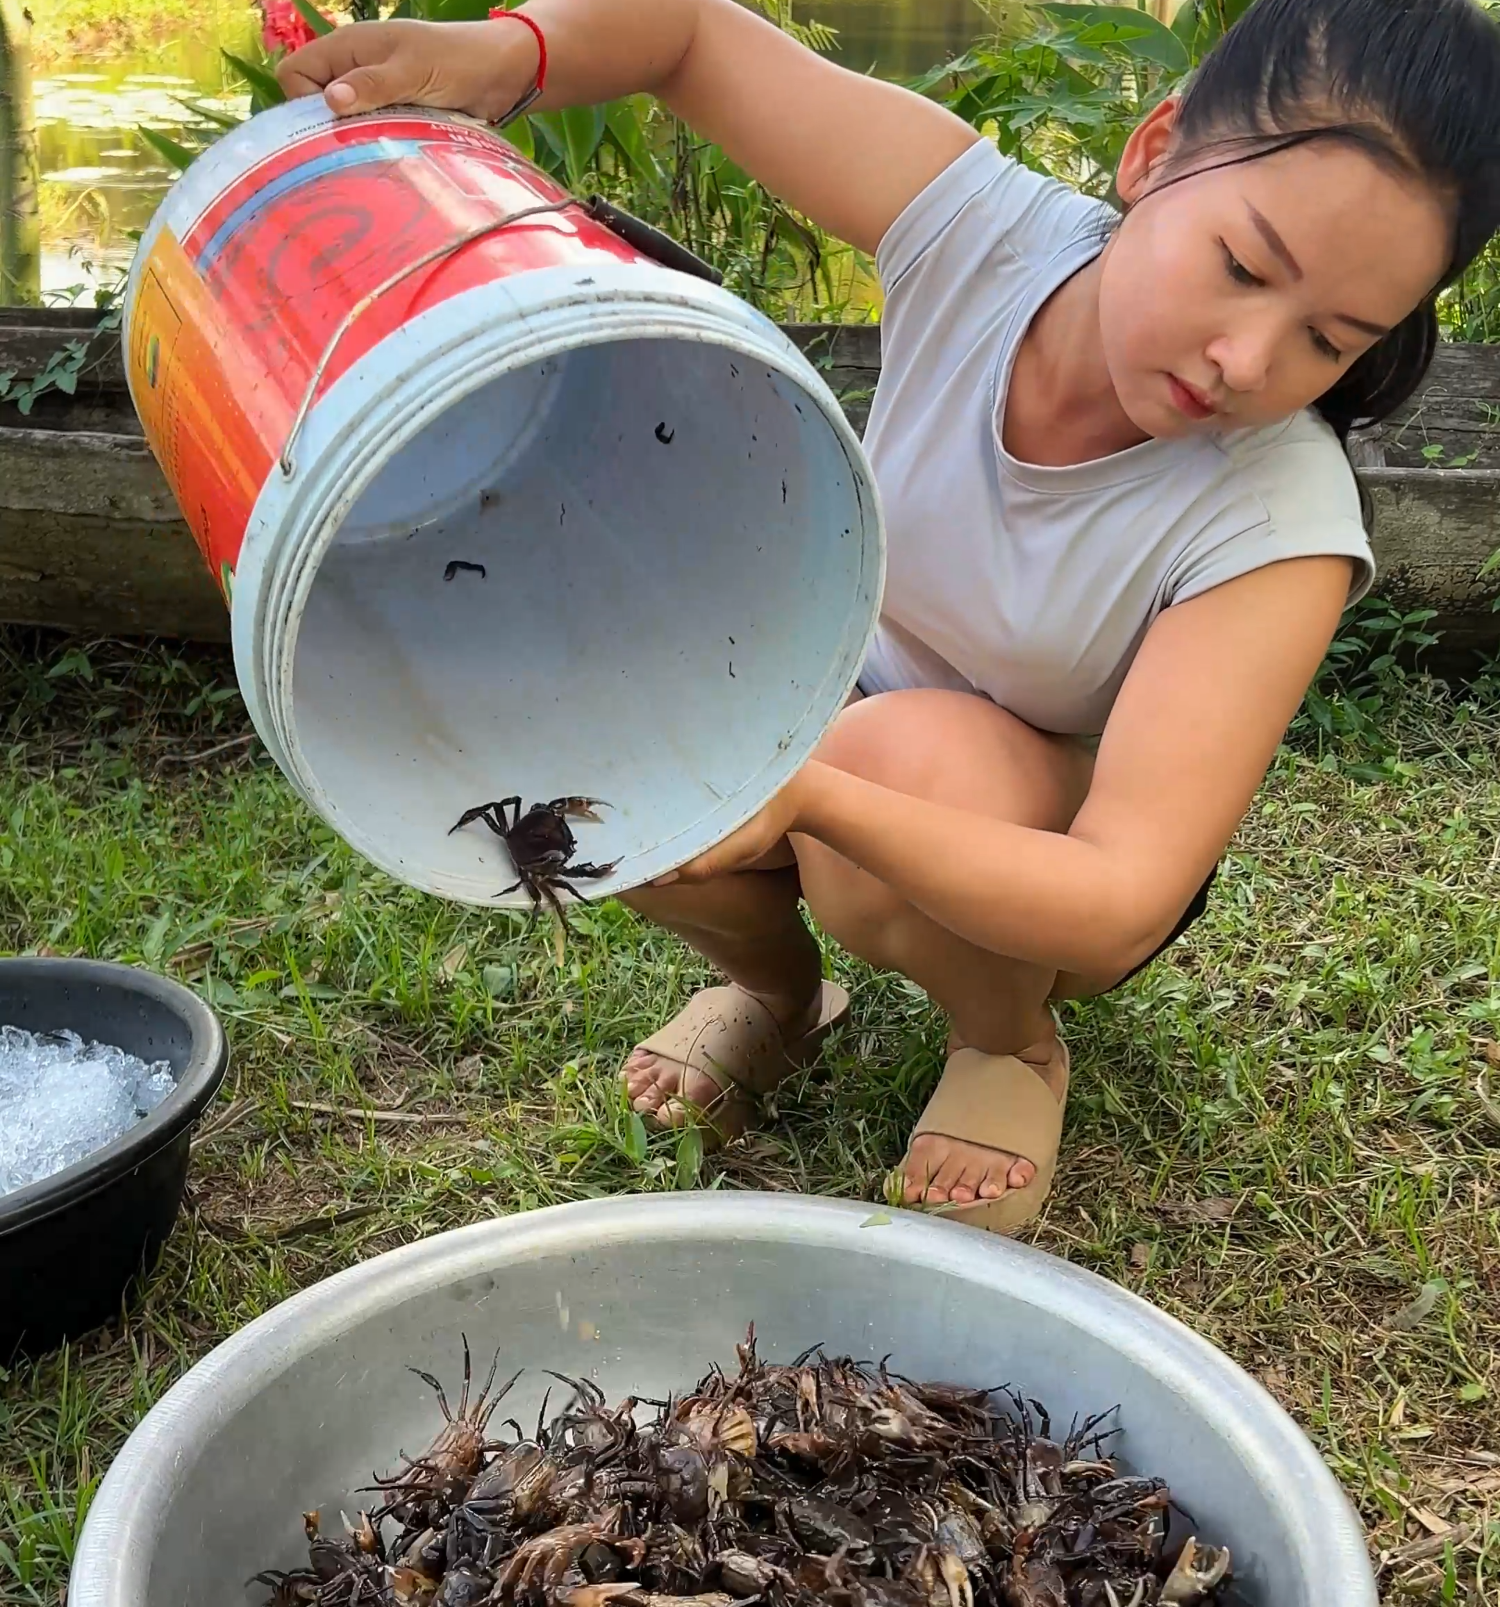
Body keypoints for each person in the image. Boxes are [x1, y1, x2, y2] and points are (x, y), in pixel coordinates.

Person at [282, 0, 1500, 1232]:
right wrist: (509, 55)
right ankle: (775, 990)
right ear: (1155, 150)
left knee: (889, 766)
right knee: (595, 722)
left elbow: (1126, 888)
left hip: (1043, 853)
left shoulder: (1278, 517)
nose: (1248, 356)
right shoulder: (984, 230)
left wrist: (813, 796)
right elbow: (692, 37)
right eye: (1243, 265)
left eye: (1329, 340)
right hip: (840, 710)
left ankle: (1009, 1041)